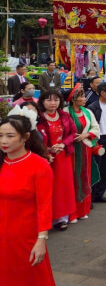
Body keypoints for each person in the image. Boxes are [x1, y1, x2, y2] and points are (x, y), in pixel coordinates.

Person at [0, 113, 57, 286]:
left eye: (10, 136)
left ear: (25, 137)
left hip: (25, 237)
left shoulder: (39, 166)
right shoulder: (2, 163)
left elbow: (44, 206)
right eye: (0, 135)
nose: (4, 141)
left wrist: (41, 240)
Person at [36, 90, 78, 230]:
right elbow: (34, 138)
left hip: (63, 156)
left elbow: (73, 133)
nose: (52, 103)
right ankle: (46, 219)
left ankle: (61, 218)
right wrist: (47, 149)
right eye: (49, 100)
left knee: (63, 187)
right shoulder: (38, 117)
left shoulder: (65, 115)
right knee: (47, 187)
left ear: (60, 101)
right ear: (42, 102)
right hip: (45, 157)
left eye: (56, 100)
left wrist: (63, 144)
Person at [66, 87, 101, 223]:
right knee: (72, 178)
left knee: (85, 177)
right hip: (70, 150)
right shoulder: (65, 112)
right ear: (73, 99)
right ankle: (72, 213)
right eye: (81, 97)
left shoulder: (87, 112)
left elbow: (95, 128)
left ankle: (83, 210)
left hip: (85, 148)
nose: (84, 99)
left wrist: (86, 135)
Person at [88, 82, 106, 203]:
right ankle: (91, 196)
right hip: (98, 139)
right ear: (102, 93)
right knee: (96, 168)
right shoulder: (92, 107)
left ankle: (99, 194)